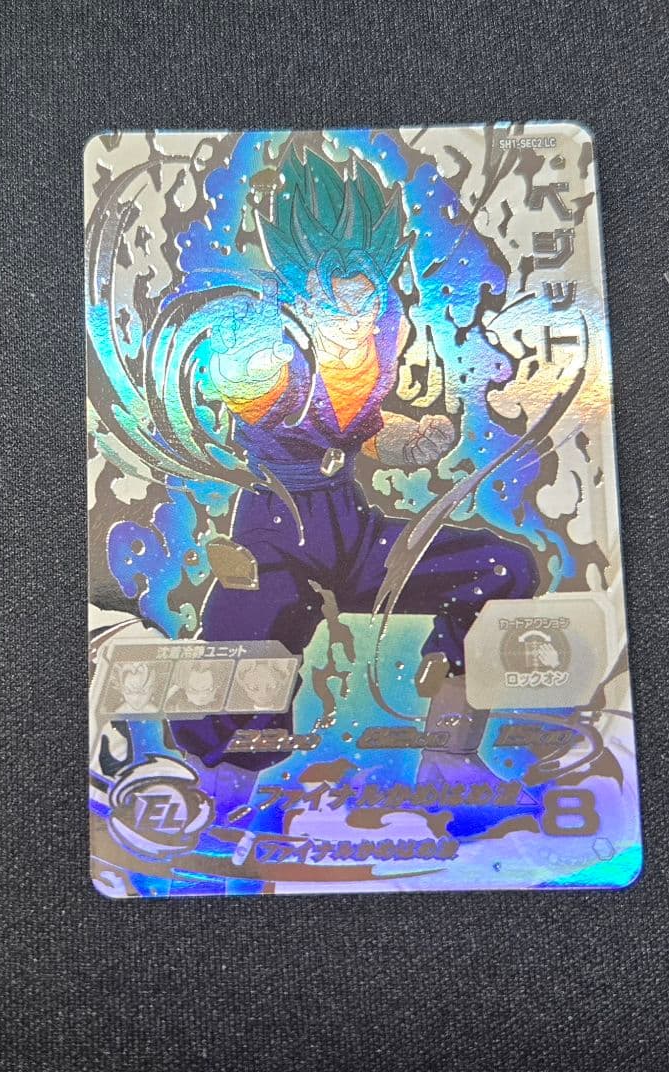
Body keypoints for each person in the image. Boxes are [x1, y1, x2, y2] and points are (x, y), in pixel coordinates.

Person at [170, 150, 539, 797]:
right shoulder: (267, 337)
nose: (354, 320)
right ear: (299, 289)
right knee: (243, 642)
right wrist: (243, 372)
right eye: (333, 303)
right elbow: (247, 390)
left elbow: (361, 430)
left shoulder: (382, 327)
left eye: (365, 299)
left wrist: (407, 441)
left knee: (501, 567)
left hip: (351, 530)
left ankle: (448, 751)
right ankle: (215, 782)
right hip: (276, 532)